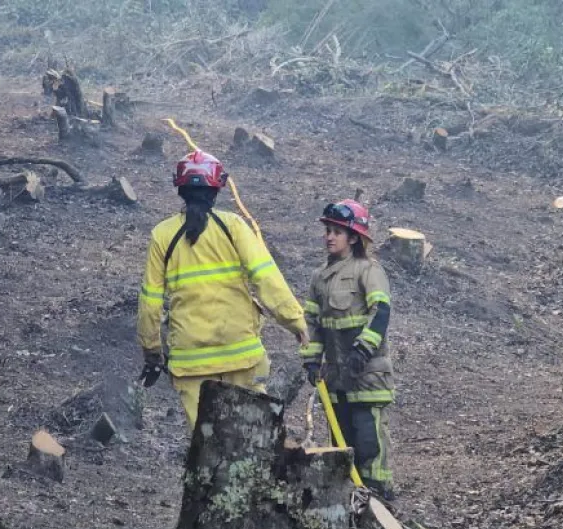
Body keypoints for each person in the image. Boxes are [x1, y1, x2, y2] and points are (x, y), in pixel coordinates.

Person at [136, 149, 309, 431]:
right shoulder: (233, 226)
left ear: (179, 188)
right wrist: (295, 322)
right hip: (241, 355)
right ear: (217, 187)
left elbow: (150, 303)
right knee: (251, 438)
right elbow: (266, 278)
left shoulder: (162, 235)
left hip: (190, 364)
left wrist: (152, 351)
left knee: (207, 447)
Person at [300, 199, 396, 500]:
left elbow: (380, 311)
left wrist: (363, 351)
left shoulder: (368, 270)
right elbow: (312, 323)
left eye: (337, 232)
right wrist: (312, 361)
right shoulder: (319, 278)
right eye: (327, 230)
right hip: (337, 379)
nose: (329, 236)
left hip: (367, 375)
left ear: (353, 237)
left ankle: (379, 494)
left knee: (369, 441)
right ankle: (350, 498)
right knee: (342, 442)